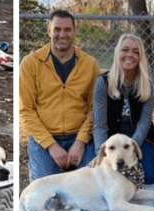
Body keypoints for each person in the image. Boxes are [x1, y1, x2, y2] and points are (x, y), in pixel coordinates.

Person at [20, 10, 101, 180]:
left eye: (67, 30)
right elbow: (25, 111)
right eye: (57, 29)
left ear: (74, 32)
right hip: (45, 138)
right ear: (49, 31)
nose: (62, 35)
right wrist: (51, 146)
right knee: (45, 190)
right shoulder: (31, 63)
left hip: (79, 136)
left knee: (92, 185)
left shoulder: (89, 64)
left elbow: (95, 109)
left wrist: (80, 142)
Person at [92, 34, 154, 184]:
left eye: (135, 52)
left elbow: (145, 121)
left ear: (140, 57)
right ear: (118, 53)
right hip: (110, 139)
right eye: (125, 50)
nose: (130, 55)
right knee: (98, 173)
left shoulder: (149, 84)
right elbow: (100, 124)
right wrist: (101, 154)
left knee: (148, 177)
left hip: (139, 138)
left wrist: (131, 149)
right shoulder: (103, 82)